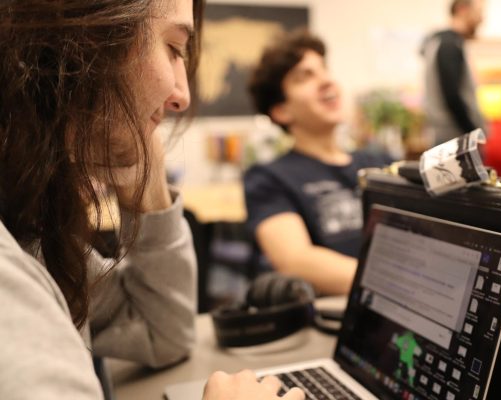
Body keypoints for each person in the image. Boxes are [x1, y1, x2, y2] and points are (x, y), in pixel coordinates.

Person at [0, 1, 303, 399]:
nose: (183, 97)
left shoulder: (31, 234)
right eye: (174, 49)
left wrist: (148, 187)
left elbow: (162, 334)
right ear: (85, 39)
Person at [244, 31, 391, 295]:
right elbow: (295, 260)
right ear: (281, 111)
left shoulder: (380, 161)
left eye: (324, 69)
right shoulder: (268, 178)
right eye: (304, 77)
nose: (325, 80)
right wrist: (399, 285)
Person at [421, 0, 486, 145]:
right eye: (479, 12)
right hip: (455, 142)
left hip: (451, 139)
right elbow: (452, 96)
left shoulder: (442, 42)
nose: (482, 19)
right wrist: (472, 131)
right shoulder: (448, 45)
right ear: (462, 9)